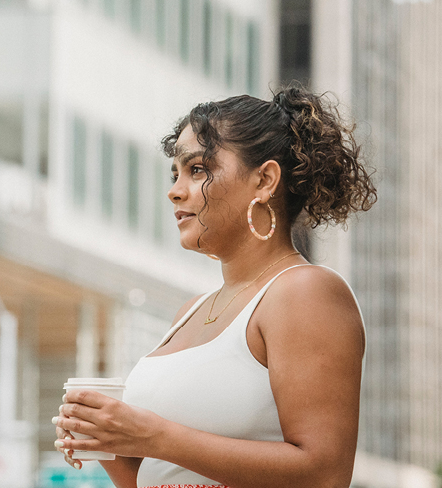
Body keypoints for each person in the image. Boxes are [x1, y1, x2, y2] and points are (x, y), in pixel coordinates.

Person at [53, 86, 376, 487]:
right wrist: (105, 440)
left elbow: (324, 474)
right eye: (175, 174)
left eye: (198, 170)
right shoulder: (189, 311)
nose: (174, 190)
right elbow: (162, 475)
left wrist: (153, 435)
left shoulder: (304, 292)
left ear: (264, 180)